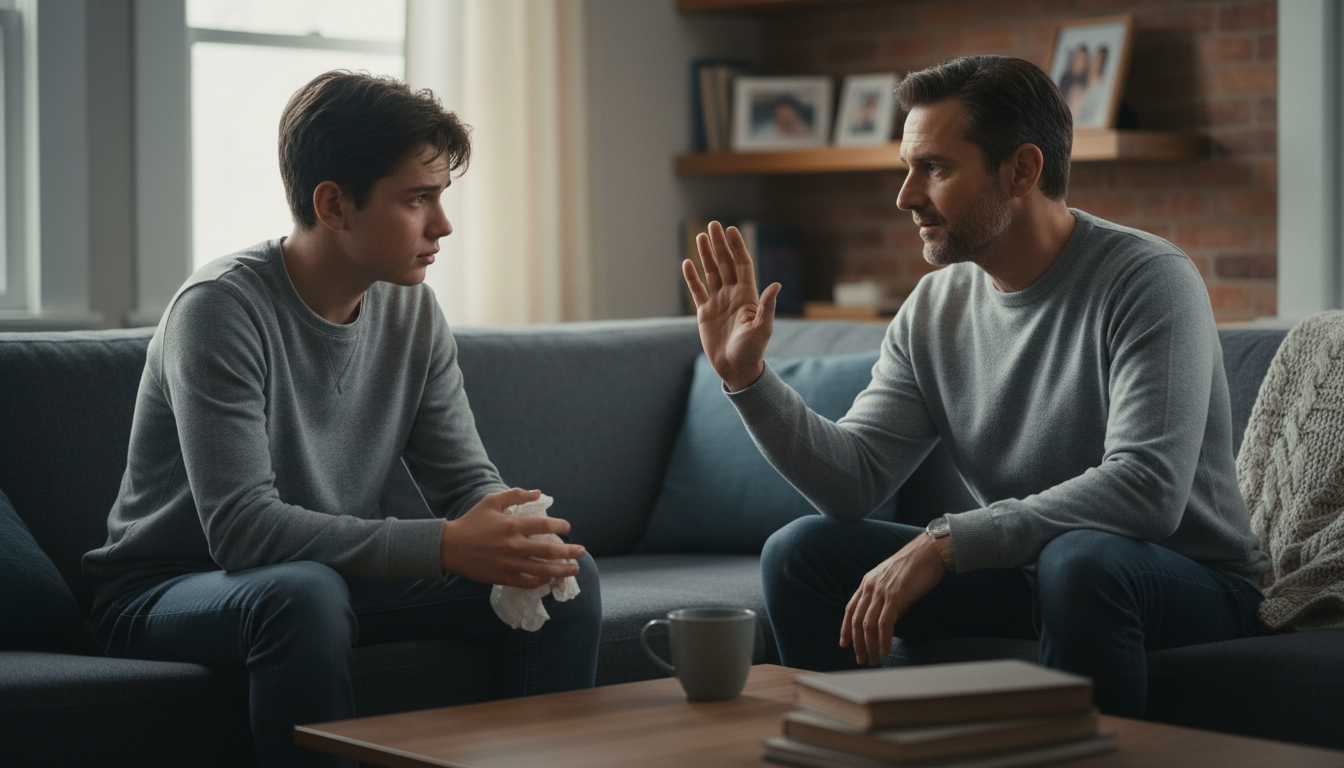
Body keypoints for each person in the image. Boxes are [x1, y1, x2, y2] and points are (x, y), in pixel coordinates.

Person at [681, 55, 1266, 718]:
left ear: (1022, 169)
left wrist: (945, 542)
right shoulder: (934, 307)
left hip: (1183, 582)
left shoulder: (1148, 280)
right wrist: (746, 380)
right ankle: (850, 749)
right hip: (1034, 571)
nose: (905, 196)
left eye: (933, 167)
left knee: (1080, 562)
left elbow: (1148, 490)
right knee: (800, 553)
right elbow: (855, 480)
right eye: (908, 167)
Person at [83, 71, 602, 767]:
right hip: (168, 591)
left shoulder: (411, 309)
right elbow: (241, 530)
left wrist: (513, 534)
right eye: (418, 199)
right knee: (302, 595)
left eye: (441, 197)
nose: (442, 224)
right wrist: (447, 545)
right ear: (333, 203)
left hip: (322, 576)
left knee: (567, 577)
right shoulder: (219, 309)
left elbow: (464, 477)